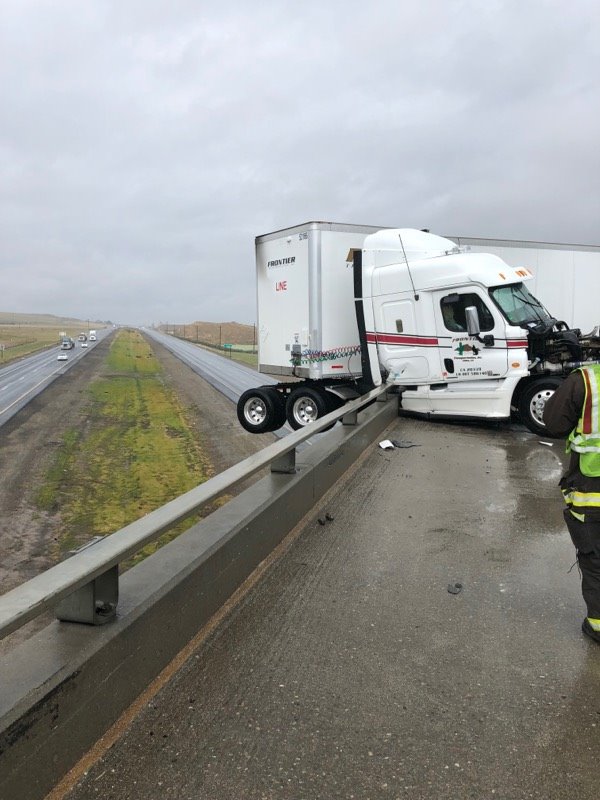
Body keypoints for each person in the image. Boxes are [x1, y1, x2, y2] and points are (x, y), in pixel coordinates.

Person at [543, 365, 600, 644]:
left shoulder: (586, 381)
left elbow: (554, 423)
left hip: (593, 494)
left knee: (595, 560)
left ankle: (598, 626)